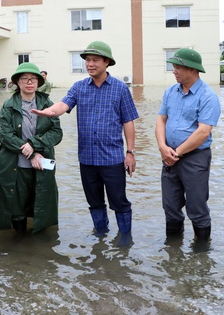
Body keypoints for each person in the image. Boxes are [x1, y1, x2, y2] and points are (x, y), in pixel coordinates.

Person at [32, 41, 138, 245]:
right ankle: (101, 235)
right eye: (87, 60)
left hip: (113, 158)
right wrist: (50, 111)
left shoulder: (120, 88)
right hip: (87, 158)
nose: (90, 64)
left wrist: (130, 152)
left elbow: (128, 121)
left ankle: (125, 237)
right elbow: (64, 104)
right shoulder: (79, 87)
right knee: (94, 201)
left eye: (95, 60)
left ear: (106, 62)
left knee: (119, 202)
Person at [0, 62, 62, 234]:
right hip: (16, 164)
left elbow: (56, 132)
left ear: (39, 82)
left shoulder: (47, 104)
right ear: (17, 82)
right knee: (17, 208)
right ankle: (18, 243)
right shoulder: (9, 105)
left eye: (33, 78)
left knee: (42, 202)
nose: (29, 82)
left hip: (42, 162)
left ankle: (38, 248)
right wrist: (30, 153)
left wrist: (34, 144)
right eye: (24, 79)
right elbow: (5, 135)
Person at [155, 48, 221, 244]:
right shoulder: (170, 92)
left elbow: (203, 132)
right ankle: (173, 251)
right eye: (173, 67)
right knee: (170, 206)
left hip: (194, 158)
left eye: (177, 67)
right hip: (168, 156)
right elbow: (160, 120)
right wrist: (162, 147)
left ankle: (200, 254)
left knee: (196, 206)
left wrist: (175, 153)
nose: (174, 71)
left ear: (192, 69)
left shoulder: (208, 96)